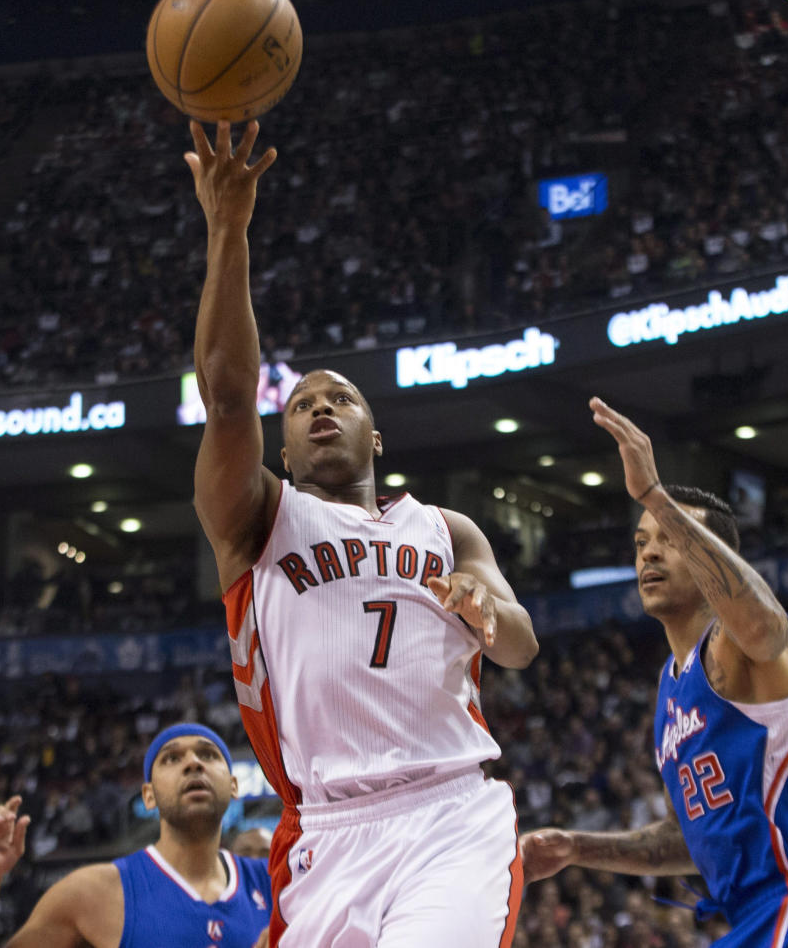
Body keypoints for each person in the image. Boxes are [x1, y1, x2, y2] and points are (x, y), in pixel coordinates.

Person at [183, 119, 538, 947]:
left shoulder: (447, 527)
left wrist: (486, 606)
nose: (320, 410)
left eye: (339, 398)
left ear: (374, 436)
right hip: (326, 832)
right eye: (303, 403)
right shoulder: (260, 518)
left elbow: (519, 647)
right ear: (283, 443)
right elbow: (230, 397)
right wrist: (227, 230)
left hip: (450, 812)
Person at [520, 398, 788, 946]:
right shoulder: (671, 687)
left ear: (711, 554)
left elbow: (763, 625)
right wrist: (579, 847)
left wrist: (654, 495)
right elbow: (690, 841)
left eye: (669, 539)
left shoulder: (738, 648)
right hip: (763, 918)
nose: (650, 553)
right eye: (642, 542)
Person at [0, 723, 271, 947]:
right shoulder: (91, 892)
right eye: (171, 758)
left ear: (234, 785)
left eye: (208, 754)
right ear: (148, 796)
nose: (193, 763)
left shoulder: (281, 882)